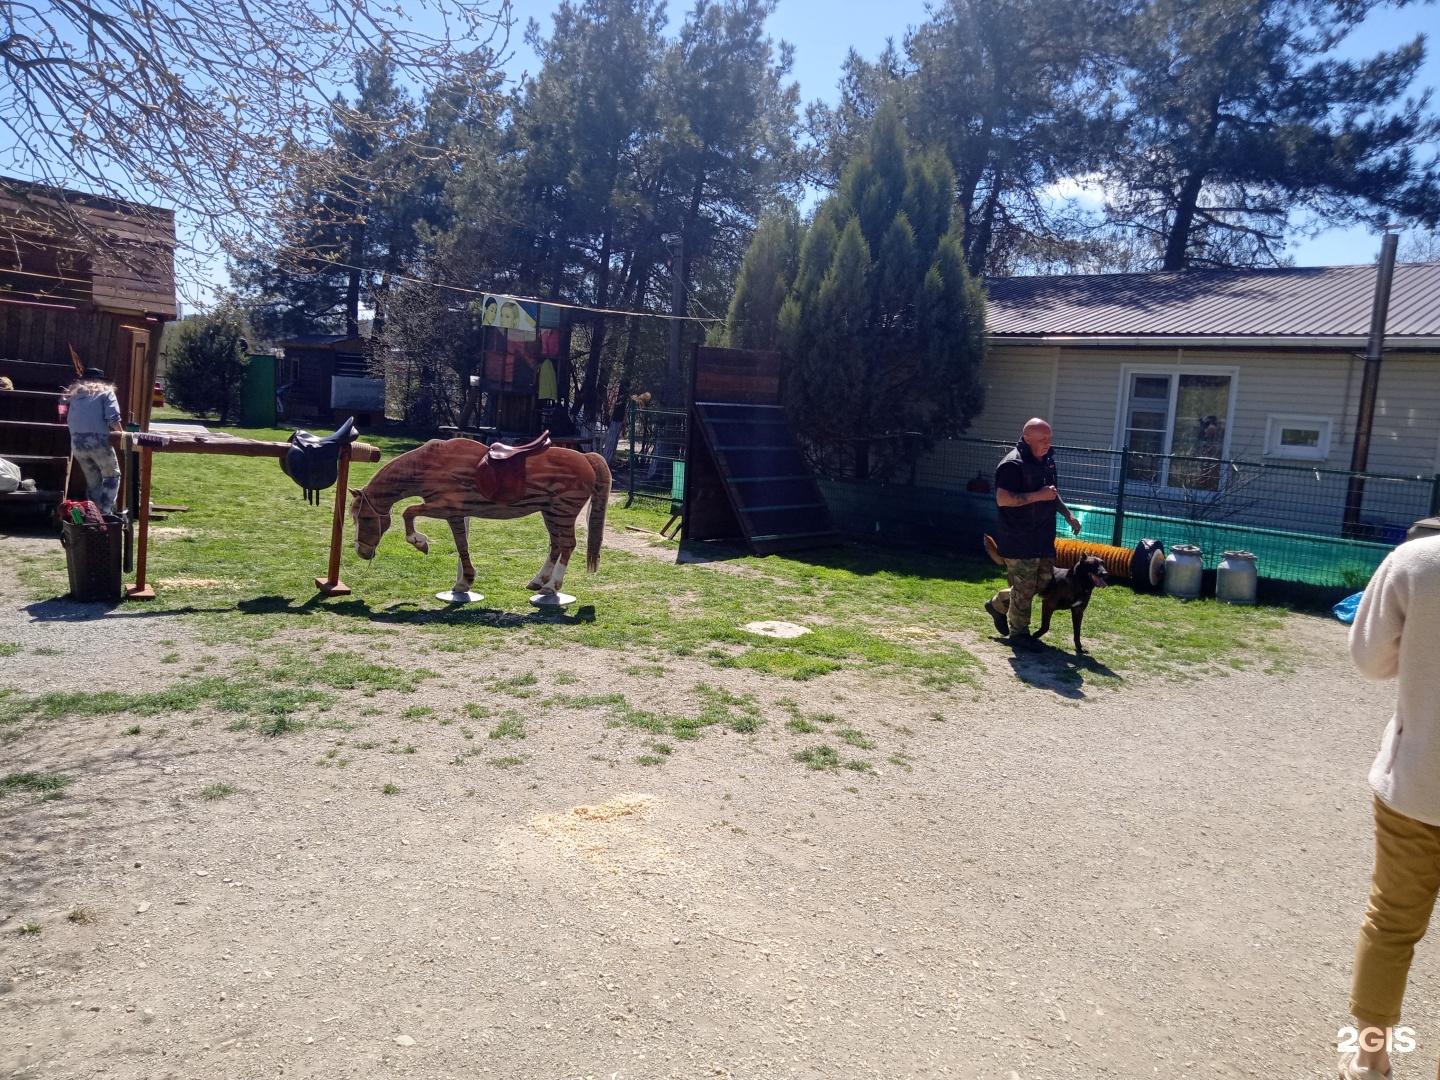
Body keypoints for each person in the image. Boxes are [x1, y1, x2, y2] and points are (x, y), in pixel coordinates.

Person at [1340, 531, 1440, 1080]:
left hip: (1420, 779)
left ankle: (1370, 1058)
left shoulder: (1418, 560)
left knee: (1393, 924)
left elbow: (1370, 660)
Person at [984, 417, 1081, 651]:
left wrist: (1068, 515)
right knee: (1026, 585)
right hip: (1018, 536)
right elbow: (1003, 499)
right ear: (1027, 439)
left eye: (1050, 438)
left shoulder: (1046, 460)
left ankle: (998, 603)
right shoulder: (1012, 465)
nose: (1048, 443)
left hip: (1042, 535)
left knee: (1044, 581)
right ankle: (1019, 634)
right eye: (1043, 439)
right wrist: (1038, 495)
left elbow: (1050, 492)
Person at [65, 366, 123, 515]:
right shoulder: (106, 392)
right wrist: (122, 435)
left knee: (92, 479)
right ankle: (105, 511)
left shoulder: (74, 395)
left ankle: (93, 512)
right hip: (97, 440)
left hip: (77, 441)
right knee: (111, 475)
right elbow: (113, 418)